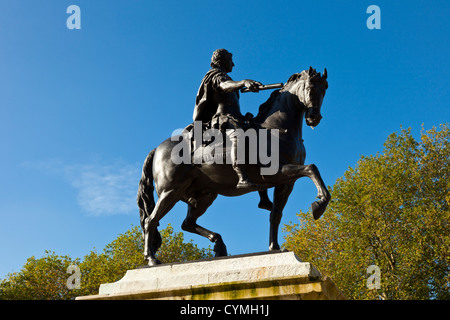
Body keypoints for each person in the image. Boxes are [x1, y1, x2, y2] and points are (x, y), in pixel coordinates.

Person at [193, 48, 261, 189]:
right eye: (231, 61)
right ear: (223, 61)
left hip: (235, 118)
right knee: (239, 135)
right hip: (222, 119)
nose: (233, 64)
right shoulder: (216, 75)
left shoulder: (225, 77)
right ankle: (242, 177)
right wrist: (243, 82)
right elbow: (224, 86)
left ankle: (263, 193)